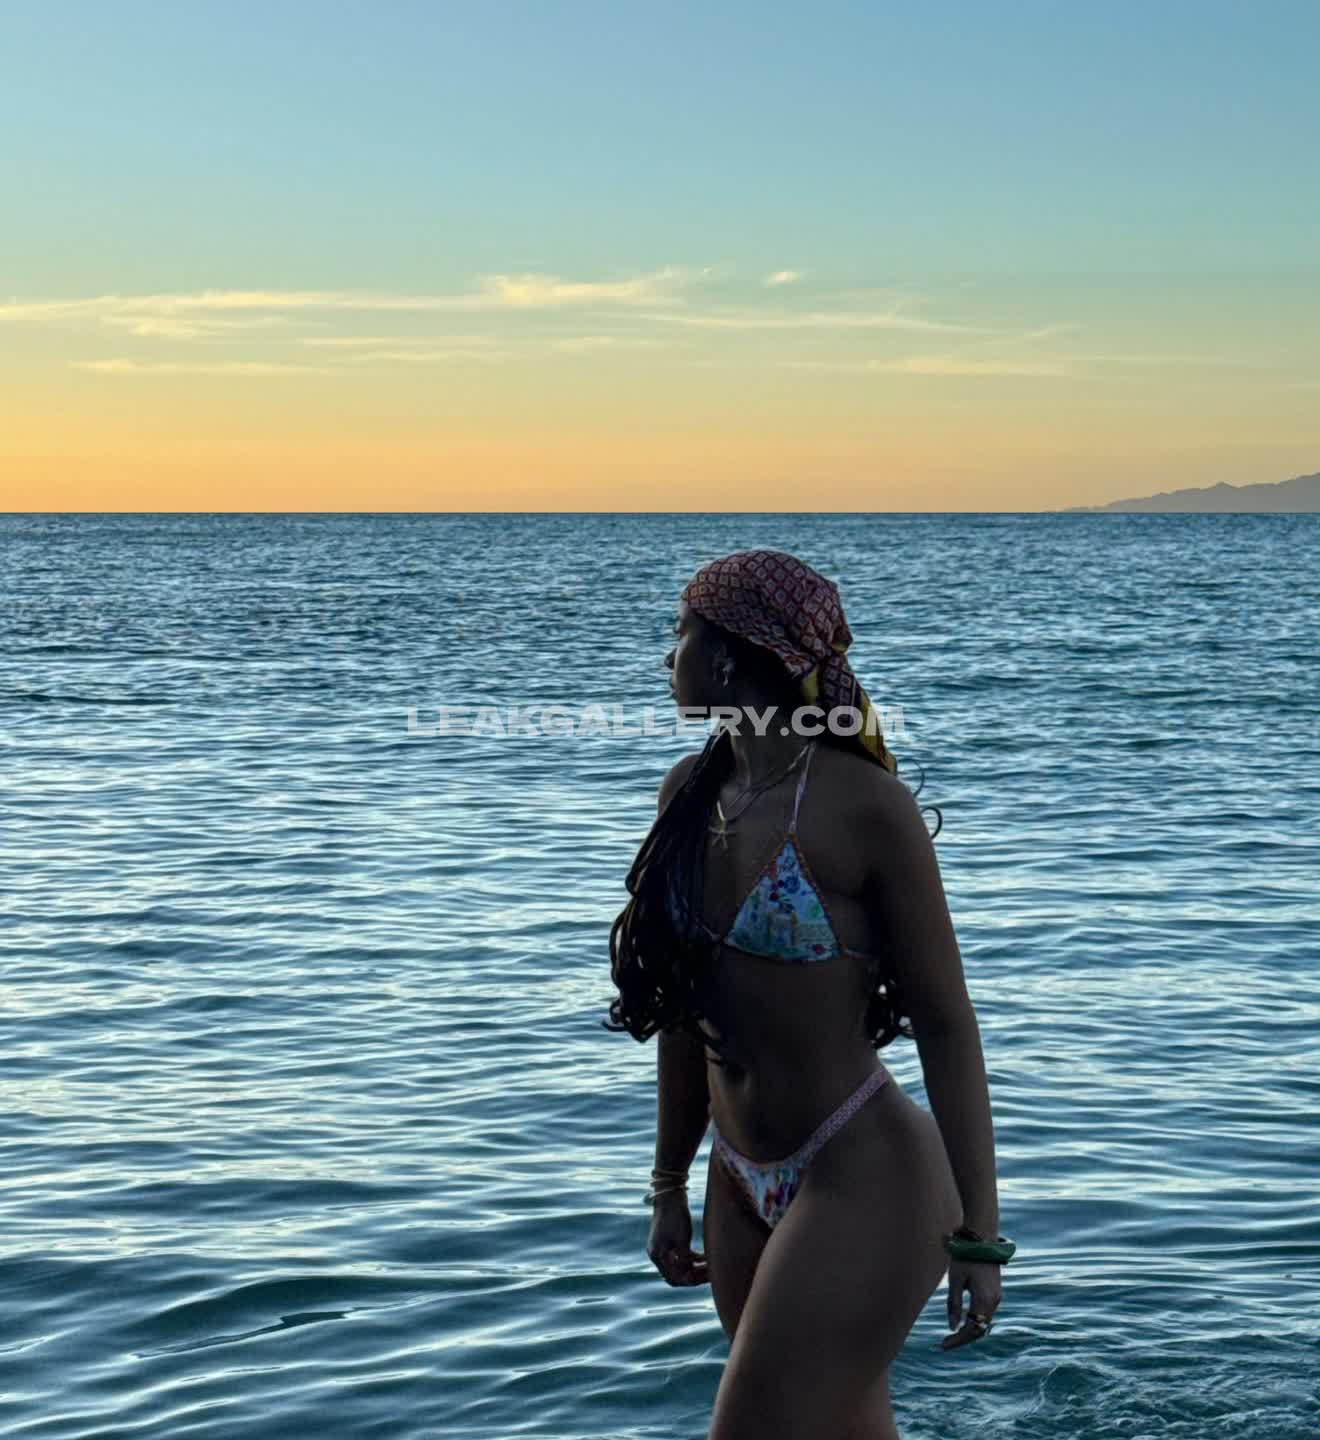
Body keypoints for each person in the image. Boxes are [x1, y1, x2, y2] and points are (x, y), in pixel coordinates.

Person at [603, 549, 1015, 1440]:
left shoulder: (865, 807)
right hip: (737, 1176)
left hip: (861, 1168)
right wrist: (669, 1180)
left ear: (728, 657)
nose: (667, 655)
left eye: (681, 633)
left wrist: (980, 1233)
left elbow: (947, 1023)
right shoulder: (689, 796)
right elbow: (681, 1009)